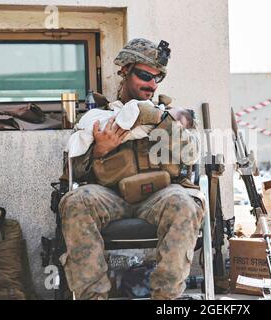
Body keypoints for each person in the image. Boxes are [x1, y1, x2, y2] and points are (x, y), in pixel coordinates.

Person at [58, 38, 204, 300]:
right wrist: (101, 149)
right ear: (125, 70)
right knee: (75, 201)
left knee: (185, 202)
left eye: (157, 78)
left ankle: (166, 299)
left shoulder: (167, 115)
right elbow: (74, 173)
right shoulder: (99, 117)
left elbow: (192, 154)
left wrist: (160, 120)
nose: (151, 84)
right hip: (112, 196)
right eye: (145, 75)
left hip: (159, 196)